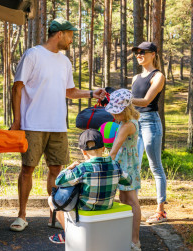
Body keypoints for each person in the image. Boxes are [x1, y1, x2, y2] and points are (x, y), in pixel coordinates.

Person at [9, 18, 106, 232]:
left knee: (56, 170)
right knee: (27, 169)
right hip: (33, 123)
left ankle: (54, 216)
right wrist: (17, 121)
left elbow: (69, 92)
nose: (72, 39)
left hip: (58, 126)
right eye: (70, 35)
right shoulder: (33, 54)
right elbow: (17, 88)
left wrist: (92, 93)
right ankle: (21, 215)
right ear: (60, 34)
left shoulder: (65, 62)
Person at [48, 129, 132, 244]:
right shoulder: (115, 165)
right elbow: (128, 181)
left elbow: (59, 181)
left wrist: (69, 168)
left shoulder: (82, 168)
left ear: (83, 152)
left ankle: (68, 234)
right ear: (103, 148)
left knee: (51, 200)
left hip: (85, 209)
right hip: (106, 207)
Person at [131, 42, 167, 224]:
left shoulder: (158, 76)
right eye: (137, 52)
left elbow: (145, 101)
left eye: (143, 52)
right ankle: (134, 208)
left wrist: (124, 99)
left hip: (150, 122)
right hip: (135, 122)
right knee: (134, 166)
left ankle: (161, 211)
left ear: (153, 54)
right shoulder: (136, 77)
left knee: (155, 167)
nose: (139, 55)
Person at [106, 89, 142, 251]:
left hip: (126, 167)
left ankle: (135, 240)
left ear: (125, 110)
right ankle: (126, 236)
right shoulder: (127, 121)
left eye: (116, 112)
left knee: (132, 201)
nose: (113, 116)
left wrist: (101, 165)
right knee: (125, 200)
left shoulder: (127, 125)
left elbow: (114, 150)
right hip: (126, 164)